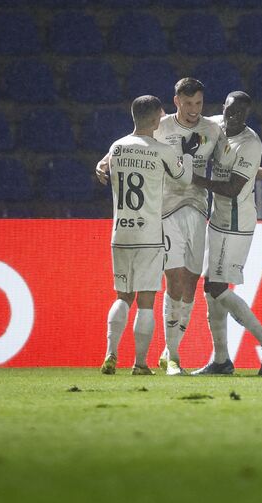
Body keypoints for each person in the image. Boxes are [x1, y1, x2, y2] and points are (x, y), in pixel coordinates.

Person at [96, 78, 262, 375]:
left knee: (193, 284)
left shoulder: (212, 129)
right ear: (176, 102)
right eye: (187, 104)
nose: (193, 110)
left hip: (201, 210)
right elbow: (130, 142)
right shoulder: (163, 125)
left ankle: (174, 352)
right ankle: (176, 357)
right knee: (177, 280)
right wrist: (104, 160)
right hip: (166, 209)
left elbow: (236, 170)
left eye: (198, 104)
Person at [190, 91, 262, 376]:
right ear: (223, 107)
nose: (234, 116)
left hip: (236, 223)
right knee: (211, 291)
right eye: (230, 110)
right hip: (218, 218)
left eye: (240, 113)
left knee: (217, 288)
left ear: (247, 115)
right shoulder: (216, 126)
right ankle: (222, 360)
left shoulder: (250, 143)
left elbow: (235, 185)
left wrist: (197, 179)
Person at [100, 95, 194, 375]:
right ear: (155, 119)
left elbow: (104, 167)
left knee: (122, 297)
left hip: (120, 233)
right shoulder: (161, 149)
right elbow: (184, 178)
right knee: (146, 301)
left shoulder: (116, 147)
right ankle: (140, 363)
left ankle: (109, 354)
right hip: (149, 235)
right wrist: (186, 156)